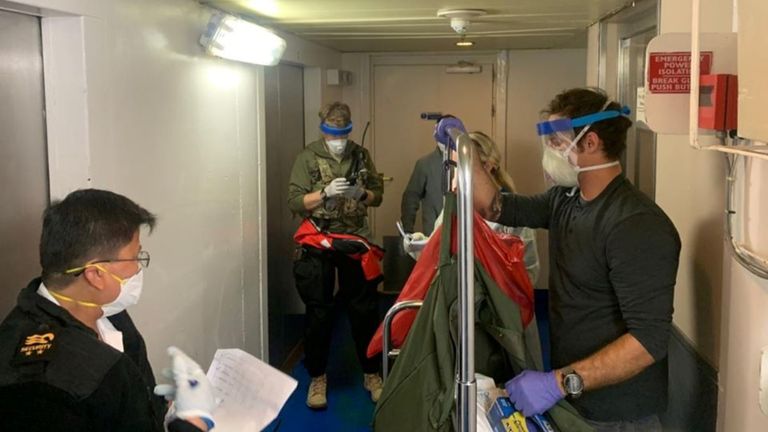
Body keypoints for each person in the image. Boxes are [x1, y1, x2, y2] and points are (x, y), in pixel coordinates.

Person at [437, 88, 681, 431]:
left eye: (556, 141)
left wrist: (558, 383)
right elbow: (495, 205)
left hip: (621, 414)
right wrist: (464, 152)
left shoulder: (635, 224)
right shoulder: (565, 201)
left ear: (591, 142)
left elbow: (647, 342)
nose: (549, 152)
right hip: (577, 402)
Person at [0, 189, 216, 432]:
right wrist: (194, 424)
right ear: (96, 275)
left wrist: (160, 408)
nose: (138, 268)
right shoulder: (42, 385)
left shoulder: (111, 316)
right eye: (134, 257)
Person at [287, 101, 385, 409]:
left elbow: (377, 195)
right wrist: (325, 193)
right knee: (319, 312)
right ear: (324, 131)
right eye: (333, 134)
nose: (339, 140)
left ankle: (371, 373)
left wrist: (362, 194)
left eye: (343, 133)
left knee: (364, 309)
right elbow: (294, 201)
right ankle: (318, 377)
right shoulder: (308, 157)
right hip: (320, 240)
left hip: (355, 240)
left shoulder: (360, 155)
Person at [400, 142, 445, 235]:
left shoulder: (467, 164)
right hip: (434, 235)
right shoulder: (426, 164)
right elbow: (411, 198)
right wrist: (407, 232)